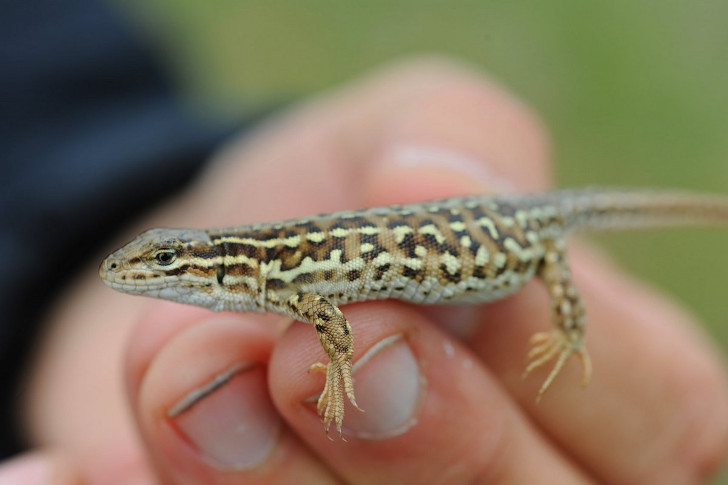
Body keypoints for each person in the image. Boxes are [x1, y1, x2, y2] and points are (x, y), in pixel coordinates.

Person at [2, 2, 727, 484]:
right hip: (457, 240)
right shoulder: (259, 275)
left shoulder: (269, 276)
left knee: (545, 260)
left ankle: (570, 329)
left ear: (200, 263)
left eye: (159, 260)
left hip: (504, 235)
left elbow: (329, 319)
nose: (140, 272)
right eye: (152, 261)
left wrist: (340, 365)